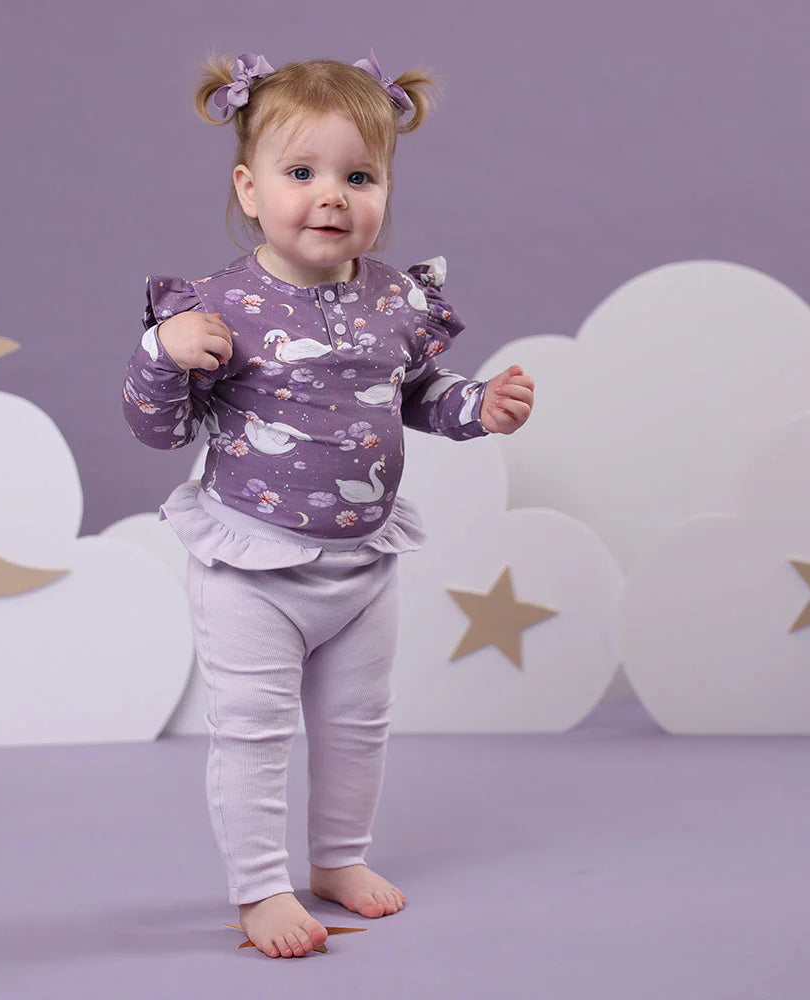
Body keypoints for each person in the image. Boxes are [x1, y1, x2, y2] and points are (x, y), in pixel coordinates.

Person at [122, 50, 535, 959]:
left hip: (363, 561)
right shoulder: (218, 308)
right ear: (249, 187)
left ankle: (340, 857)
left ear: (386, 186)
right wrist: (160, 354)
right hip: (253, 566)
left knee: (357, 726)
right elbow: (160, 430)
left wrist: (479, 407)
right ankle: (259, 887)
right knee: (254, 732)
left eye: (359, 177)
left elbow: (412, 394)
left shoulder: (395, 299)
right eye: (302, 173)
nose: (331, 198)